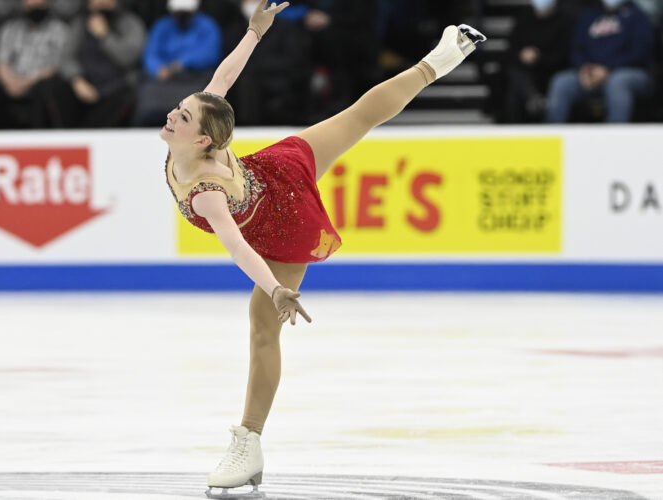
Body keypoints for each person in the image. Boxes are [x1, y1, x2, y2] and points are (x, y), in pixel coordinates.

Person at [159, 0, 485, 495]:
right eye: (179, 110)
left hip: (283, 223)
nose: (171, 114)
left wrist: (274, 290)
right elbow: (221, 81)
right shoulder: (194, 136)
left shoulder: (206, 194)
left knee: (262, 331)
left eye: (181, 115)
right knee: (355, 119)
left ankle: (248, 442)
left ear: (204, 140)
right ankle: (439, 60)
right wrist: (254, 31)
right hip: (277, 168)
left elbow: (239, 247)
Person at [544, 0, 656, 123]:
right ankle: (550, 137)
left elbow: (640, 52)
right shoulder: (590, 15)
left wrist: (608, 69)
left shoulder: (637, 15)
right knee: (561, 82)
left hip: (629, 73)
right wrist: (584, 68)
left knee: (618, 82)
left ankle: (614, 137)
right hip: (591, 74)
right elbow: (576, 49)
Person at [43, 0, 145, 128]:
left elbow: (130, 58)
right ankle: (67, 138)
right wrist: (77, 79)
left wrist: (105, 36)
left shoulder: (130, 23)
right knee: (53, 86)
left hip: (115, 88)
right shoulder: (80, 23)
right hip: (83, 85)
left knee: (127, 95)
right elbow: (66, 58)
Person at [0, 0, 69, 128]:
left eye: (39, 4)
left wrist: (26, 83)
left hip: (39, 82)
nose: (35, 8)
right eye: (30, 4)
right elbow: (1, 63)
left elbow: (55, 67)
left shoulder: (60, 30)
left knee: (47, 87)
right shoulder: (9, 29)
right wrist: (11, 82)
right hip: (11, 83)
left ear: (48, 4)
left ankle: (39, 140)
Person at [131, 0, 221, 126]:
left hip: (194, 77)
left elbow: (210, 54)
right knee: (145, 94)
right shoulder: (162, 26)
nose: (182, 17)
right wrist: (158, 68)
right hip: (162, 80)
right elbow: (150, 54)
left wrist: (182, 63)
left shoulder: (207, 26)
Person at [502, 0, 572, 123]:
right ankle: (531, 97)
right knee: (514, 77)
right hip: (523, 70)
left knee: (517, 81)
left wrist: (539, 57)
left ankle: (533, 99)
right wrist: (522, 55)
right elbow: (511, 49)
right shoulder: (524, 18)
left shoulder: (565, 21)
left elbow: (564, 55)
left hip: (551, 70)